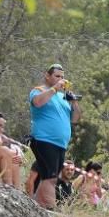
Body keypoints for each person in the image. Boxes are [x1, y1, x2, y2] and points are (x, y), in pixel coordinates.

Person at [29, 63, 80, 209]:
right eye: (57, 76)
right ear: (47, 75)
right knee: (51, 178)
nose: (60, 80)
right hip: (44, 139)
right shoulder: (38, 91)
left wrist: (74, 101)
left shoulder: (62, 97)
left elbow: (75, 119)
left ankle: (36, 207)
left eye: (62, 77)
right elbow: (37, 103)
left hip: (60, 143)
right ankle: (50, 208)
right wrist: (54, 89)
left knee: (48, 177)